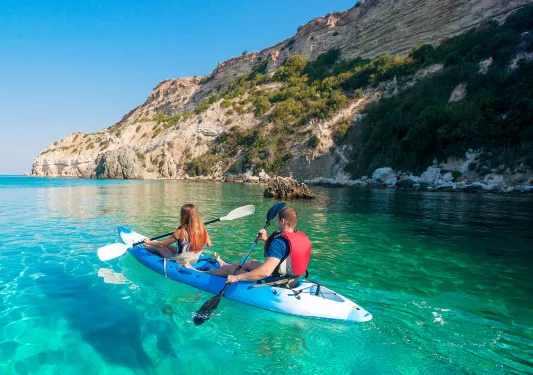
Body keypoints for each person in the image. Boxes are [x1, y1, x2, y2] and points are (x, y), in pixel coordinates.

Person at [191, 208, 311, 285]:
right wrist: (265, 238)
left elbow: (265, 272)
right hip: (292, 280)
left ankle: (199, 273)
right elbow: (285, 253)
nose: (276, 222)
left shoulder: (278, 242)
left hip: (276, 282)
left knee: (228, 271)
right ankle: (224, 264)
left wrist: (236, 278)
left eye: (277, 220)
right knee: (252, 262)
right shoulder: (298, 236)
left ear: (282, 221)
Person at [142, 204, 212, 264]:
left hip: (180, 260)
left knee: (158, 247)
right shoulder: (202, 228)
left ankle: (144, 246)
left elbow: (162, 244)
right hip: (194, 258)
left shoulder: (181, 231)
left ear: (183, 216)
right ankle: (148, 244)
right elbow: (209, 244)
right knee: (168, 246)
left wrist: (148, 241)